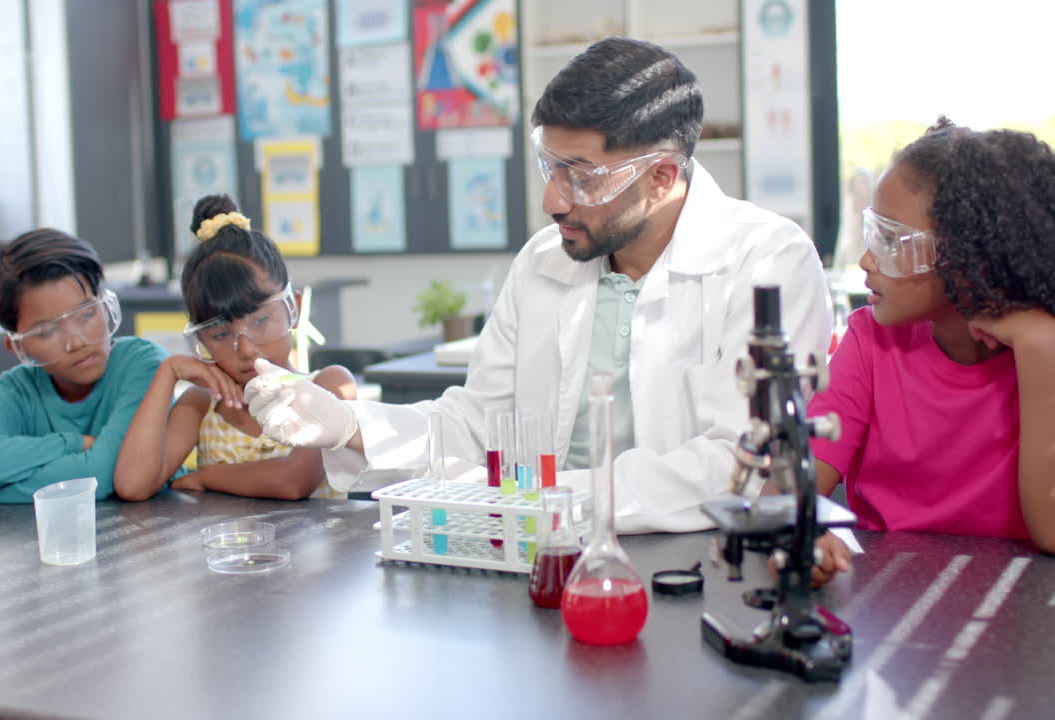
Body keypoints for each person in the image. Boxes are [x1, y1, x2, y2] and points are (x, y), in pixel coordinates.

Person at [245, 37, 832, 532]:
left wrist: (539, 500)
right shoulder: (544, 262)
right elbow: (478, 428)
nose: (553, 201)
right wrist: (352, 426)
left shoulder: (767, 264)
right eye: (551, 168)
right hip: (537, 552)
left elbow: (737, 464)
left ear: (661, 177)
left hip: (694, 564)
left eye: (581, 176)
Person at [806, 118, 1055, 585]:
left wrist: (1040, 346)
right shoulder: (870, 342)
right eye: (871, 234)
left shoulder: (1044, 347)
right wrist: (805, 531)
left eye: (891, 242)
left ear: (969, 257)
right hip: (892, 604)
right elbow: (790, 488)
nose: (866, 261)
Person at [114, 195, 355, 501]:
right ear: (200, 340)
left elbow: (293, 482)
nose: (245, 349)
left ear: (293, 308)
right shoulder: (202, 404)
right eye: (220, 334)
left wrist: (205, 478)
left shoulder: (329, 386)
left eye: (261, 320)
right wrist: (168, 372)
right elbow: (133, 485)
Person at [0, 229, 177, 502]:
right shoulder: (17, 388)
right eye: (47, 331)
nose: (76, 342)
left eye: (86, 314)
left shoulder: (143, 365)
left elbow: (101, 476)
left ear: (106, 306)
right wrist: (74, 443)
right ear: (18, 347)